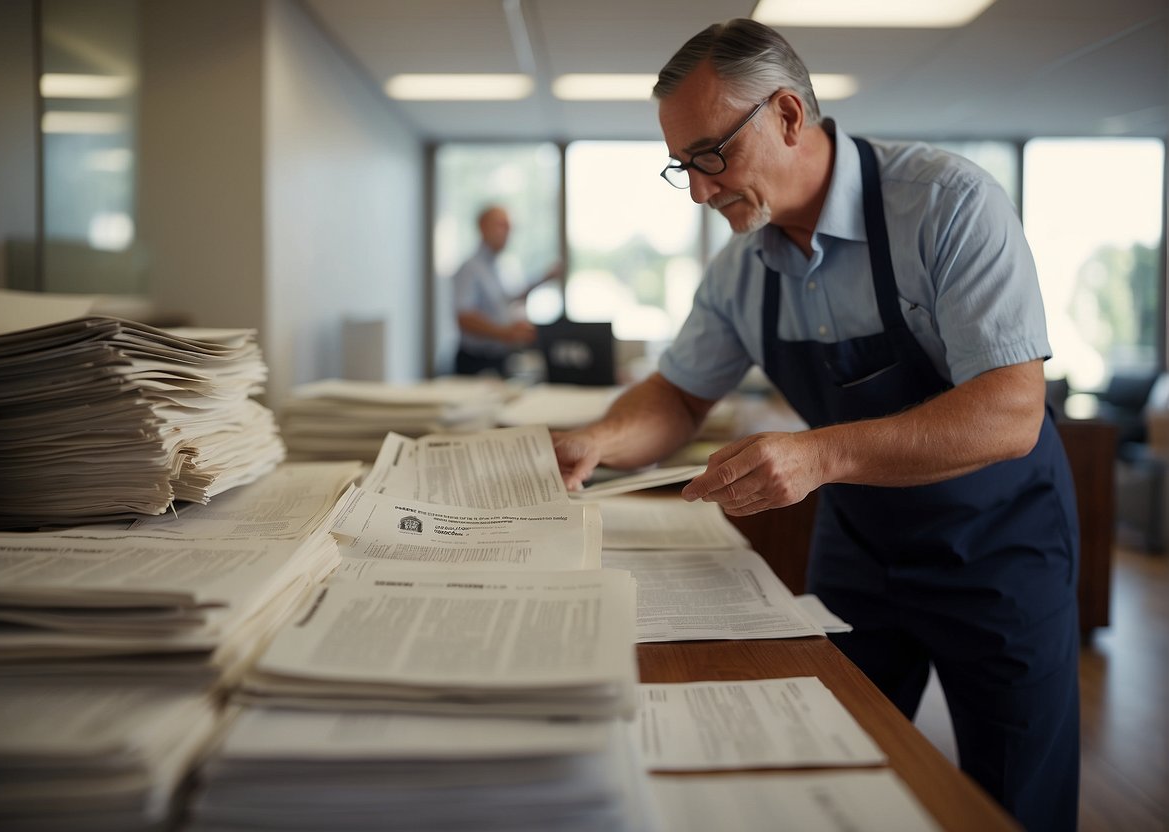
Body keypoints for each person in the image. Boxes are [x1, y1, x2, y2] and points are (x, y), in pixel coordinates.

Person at [552, 19, 1079, 832]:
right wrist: (600, 441)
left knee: (1014, 795)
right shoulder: (739, 270)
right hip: (861, 546)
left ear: (788, 116)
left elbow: (1010, 411)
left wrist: (820, 452)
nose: (696, 190)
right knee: (832, 757)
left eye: (709, 155)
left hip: (999, 546)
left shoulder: (946, 204)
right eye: (680, 165)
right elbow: (679, 397)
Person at [451, 205, 560, 377]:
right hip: (475, 361)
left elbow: (508, 299)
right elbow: (464, 317)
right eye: (501, 225)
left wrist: (543, 280)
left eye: (509, 227)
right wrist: (504, 333)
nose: (507, 232)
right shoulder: (470, 268)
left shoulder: (503, 267)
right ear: (482, 227)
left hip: (500, 359)